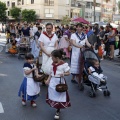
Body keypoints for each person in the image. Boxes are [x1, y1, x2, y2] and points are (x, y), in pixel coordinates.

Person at [45, 49, 71, 120]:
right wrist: (48, 80)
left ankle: (58, 110)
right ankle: (56, 106)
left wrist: (64, 74)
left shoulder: (64, 65)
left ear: (57, 58)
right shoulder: (52, 65)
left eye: (52, 57)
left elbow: (68, 73)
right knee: (53, 94)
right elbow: (51, 73)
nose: (51, 59)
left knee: (60, 95)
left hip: (60, 82)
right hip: (53, 81)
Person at [70, 23, 92, 89]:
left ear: (82, 28)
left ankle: (78, 78)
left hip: (82, 52)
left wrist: (91, 46)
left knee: (81, 65)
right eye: (77, 27)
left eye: (80, 27)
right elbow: (73, 43)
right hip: (75, 52)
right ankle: (77, 79)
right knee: (76, 65)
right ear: (76, 28)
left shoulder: (84, 35)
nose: (79, 28)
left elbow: (87, 42)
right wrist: (79, 46)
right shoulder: (73, 35)